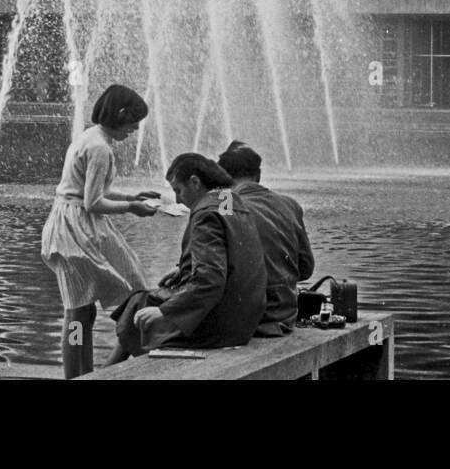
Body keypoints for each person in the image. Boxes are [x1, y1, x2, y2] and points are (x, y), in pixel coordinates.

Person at [40, 84, 161, 378]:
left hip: (77, 224)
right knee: (78, 312)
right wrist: (132, 208)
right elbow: (93, 202)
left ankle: (86, 372)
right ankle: (76, 374)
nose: (134, 130)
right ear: (121, 114)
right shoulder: (99, 148)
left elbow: (90, 192)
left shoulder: (91, 137)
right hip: (75, 230)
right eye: (134, 123)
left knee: (83, 310)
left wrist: (132, 198)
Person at [111, 153, 266, 360]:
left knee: (140, 304)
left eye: (178, 190)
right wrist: (184, 267)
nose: (177, 200)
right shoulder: (230, 201)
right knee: (146, 303)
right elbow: (231, 251)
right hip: (243, 320)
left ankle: (110, 370)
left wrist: (166, 311)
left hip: (218, 328)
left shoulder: (206, 214)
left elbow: (210, 281)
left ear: (195, 182)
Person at [219, 141, 315, 335]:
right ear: (259, 174)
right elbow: (305, 268)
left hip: (243, 319)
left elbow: (214, 270)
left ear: (223, 176)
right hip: (284, 315)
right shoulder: (290, 204)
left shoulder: (225, 203)